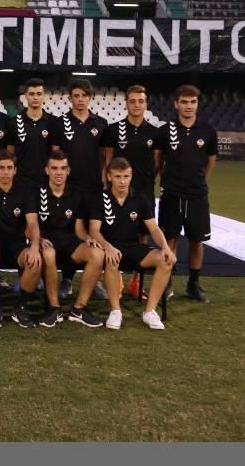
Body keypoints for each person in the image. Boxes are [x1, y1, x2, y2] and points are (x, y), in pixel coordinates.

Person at [88, 157, 177, 330]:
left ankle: (150, 311)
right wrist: (108, 247)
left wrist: (165, 247)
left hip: (133, 247)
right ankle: (115, 311)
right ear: (109, 177)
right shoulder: (100, 198)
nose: (122, 181)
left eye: (126, 176)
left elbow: (154, 229)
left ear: (131, 176)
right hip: (111, 247)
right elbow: (94, 230)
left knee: (165, 260)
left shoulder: (140, 198)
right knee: (112, 259)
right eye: (118, 176)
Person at [155, 85, 218, 303]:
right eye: (184, 102)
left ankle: (193, 284)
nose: (188, 106)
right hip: (172, 194)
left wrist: (199, 180)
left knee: (196, 241)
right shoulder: (165, 130)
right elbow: (159, 161)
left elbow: (211, 161)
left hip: (197, 195)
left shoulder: (208, 131)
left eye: (192, 102)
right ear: (176, 104)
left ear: (197, 104)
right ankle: (167, 282)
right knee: (169, 240)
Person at [50, 79, 108, 299]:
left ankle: (95, 281)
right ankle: (66, 279)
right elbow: (55, 154)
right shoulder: (60, 123)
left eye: (84, 95)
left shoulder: (101, 123)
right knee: (69, 234)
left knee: (94, 234)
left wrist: (102, 178)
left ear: (90, 97)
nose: (80, 99)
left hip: (92, 188)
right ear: (70, 98)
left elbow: (105, 156)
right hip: (69, 188)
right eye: (76, 95)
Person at [37, 150, 106, 328]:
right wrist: (38, 239)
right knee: (49, 254)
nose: (58, 172)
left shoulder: (76, 194)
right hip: (46, 244)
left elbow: (78, 229)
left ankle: (79, 309)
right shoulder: (37, 192)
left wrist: (88, 238)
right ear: (47, 170)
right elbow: (30, 224)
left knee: (97, 254)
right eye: (54, 168)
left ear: (68, 170)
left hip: (70, 244)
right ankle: (54, 309)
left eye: (62, 168)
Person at [102, 84, 159, 297]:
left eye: (140, 101)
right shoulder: (113, 130)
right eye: (132, 101)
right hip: (116, 193)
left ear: (146, 104)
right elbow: (108, 160)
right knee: (113, 233)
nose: (136, 105)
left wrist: (145, 183)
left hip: (143, 191)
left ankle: (137, 281)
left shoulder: (154, 133)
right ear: (126, 103)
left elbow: (156, 163)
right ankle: (115, 280)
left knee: (142, 236)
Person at [0, 150, 42, 328]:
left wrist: (34, 247)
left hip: (17, 244)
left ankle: (20, 308)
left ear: (15, 170)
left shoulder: (25, 191)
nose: (5, 172)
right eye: (2, 168)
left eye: (9, 168)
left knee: (35, 262)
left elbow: (33, 223)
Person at [7, 78, 56, 192]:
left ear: (44, 95)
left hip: (46, 180)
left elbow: (55, 153)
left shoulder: (53, 122)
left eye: (39, 94)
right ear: (25, 96)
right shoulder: (13, 123)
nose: (35, 97)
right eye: (31, 94)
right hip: (21, 181)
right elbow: (10, 154)